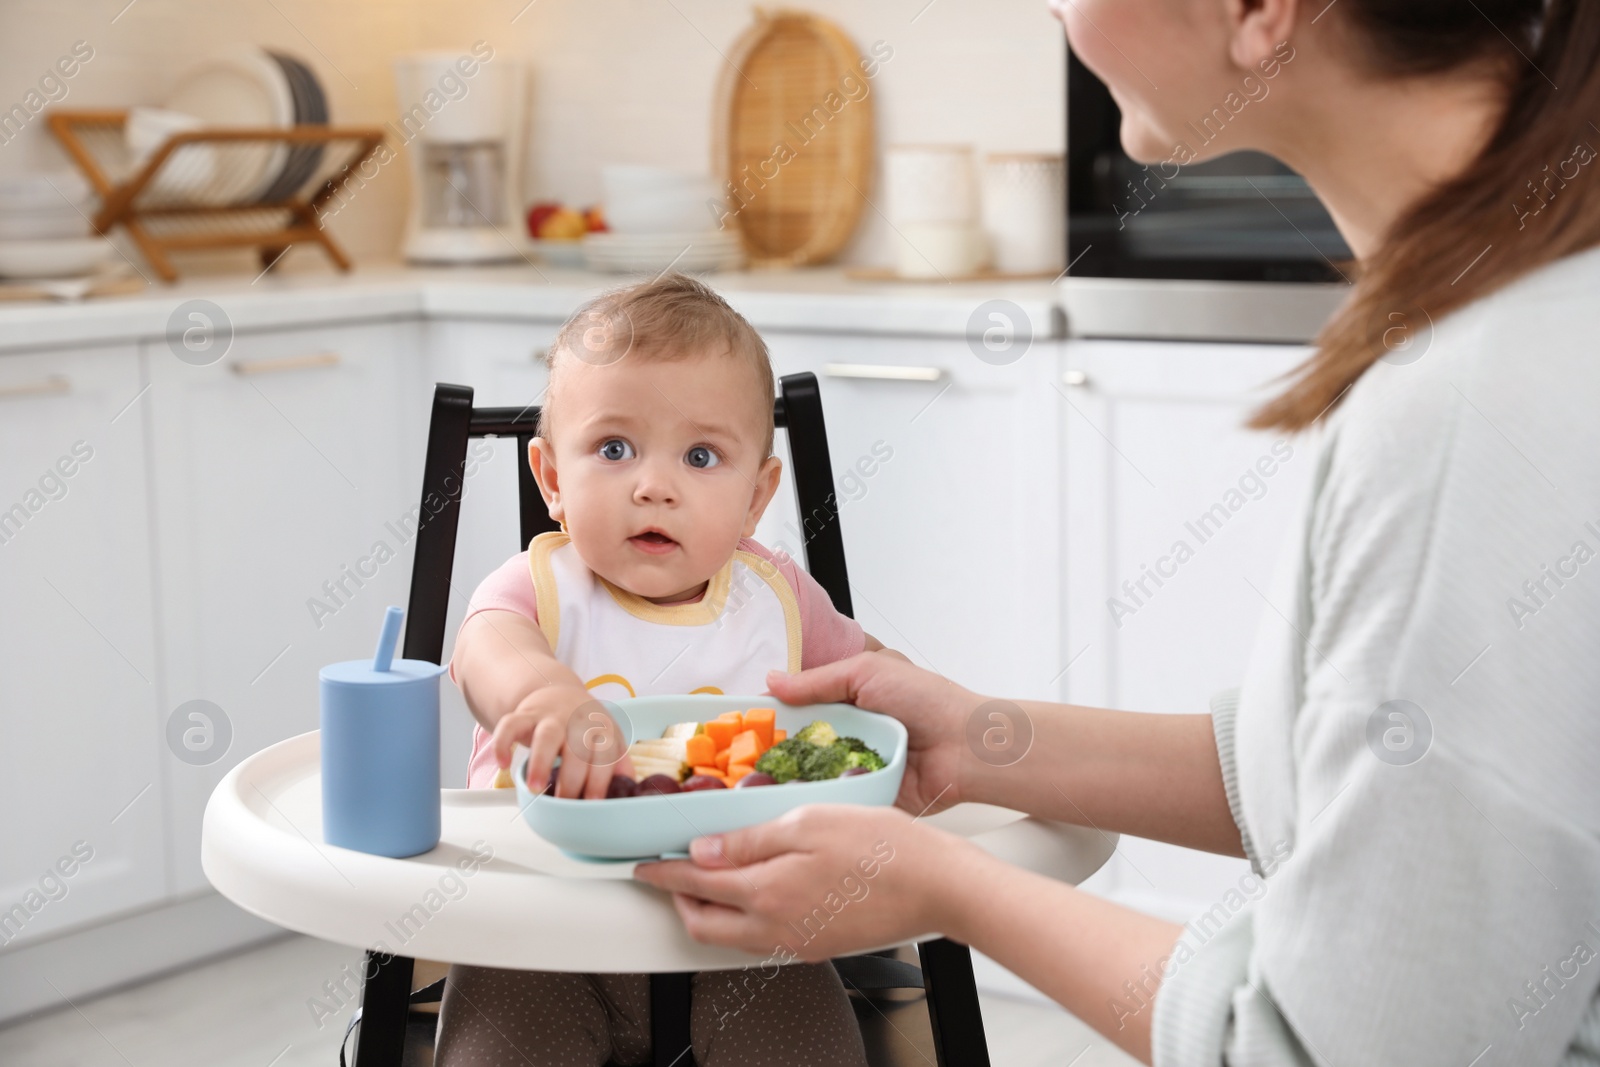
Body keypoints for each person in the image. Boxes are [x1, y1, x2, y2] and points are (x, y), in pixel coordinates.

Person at [634, 1, 1600, 1064]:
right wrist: (977, 740)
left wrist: (942, 886)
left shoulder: (1468, 412)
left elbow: (1314, 1048)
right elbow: (1348, 770)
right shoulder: (1516, 317)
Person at [435, 274, 899, 1066]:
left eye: (701, 454)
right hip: (543, 938)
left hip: (746, 937)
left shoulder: (778, 597)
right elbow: (486, 650)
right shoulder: (537, 588)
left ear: (757, 497)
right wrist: (545, 692)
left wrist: (939, 720)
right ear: (550, 478)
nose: (654, 485)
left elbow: (881, 686)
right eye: (613, 449)